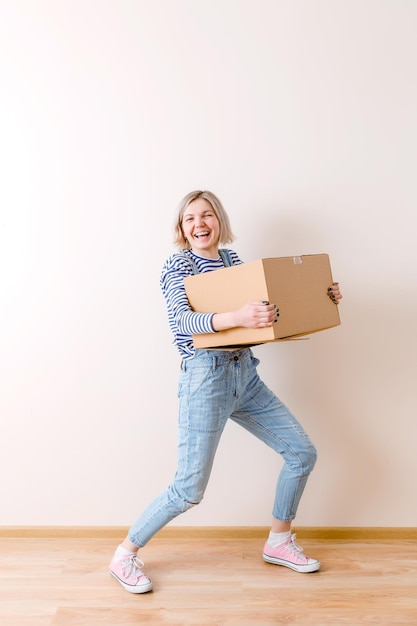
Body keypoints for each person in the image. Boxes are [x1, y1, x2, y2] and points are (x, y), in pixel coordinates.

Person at [109, 190, 343, 593]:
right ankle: (123, 556)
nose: (199, 224)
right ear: (181, 228)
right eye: (190, 219)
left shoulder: (234, 262)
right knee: (188, 490)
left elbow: (265, 318)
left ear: (220, 220)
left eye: (207, 215)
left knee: (302, 453)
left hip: (245, 376)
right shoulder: (177, 264)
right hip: (205, 380)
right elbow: (181, 321)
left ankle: (279, 541)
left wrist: (320, 298)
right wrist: (236, 316)